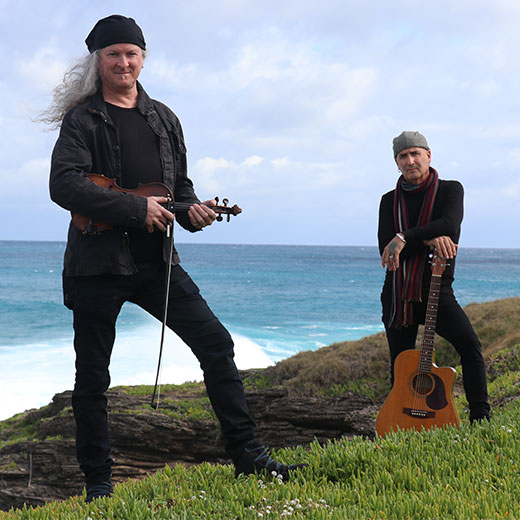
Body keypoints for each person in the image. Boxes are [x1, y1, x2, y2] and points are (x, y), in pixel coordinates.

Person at [47, 15, 305, 503]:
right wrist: (134, 207)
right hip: (97, 264)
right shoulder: (82, 118)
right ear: (98, 62)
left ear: (143, 58)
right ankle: (98, 483)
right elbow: (64, 184)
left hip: (156, 265)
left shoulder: (163, 118)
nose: (123, 62)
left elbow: (177, 191)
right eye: (113, 54)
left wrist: (194, 213)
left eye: (131, 53)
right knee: (93, 377)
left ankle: (248, 457)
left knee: (215, 343)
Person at [378, 130, 490, 424]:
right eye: (403, 156)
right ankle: (402, 424)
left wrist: (404, 236)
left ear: (428, 155)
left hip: (436, 290)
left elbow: (450, 225)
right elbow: (386, 250)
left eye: (416, 153)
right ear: (396, 163)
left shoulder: (450, 190)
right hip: (398, 295)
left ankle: (481, 417)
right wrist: (429, 238)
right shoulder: (388, 201)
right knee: (400, 366)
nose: (410, 160)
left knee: (469, 345)